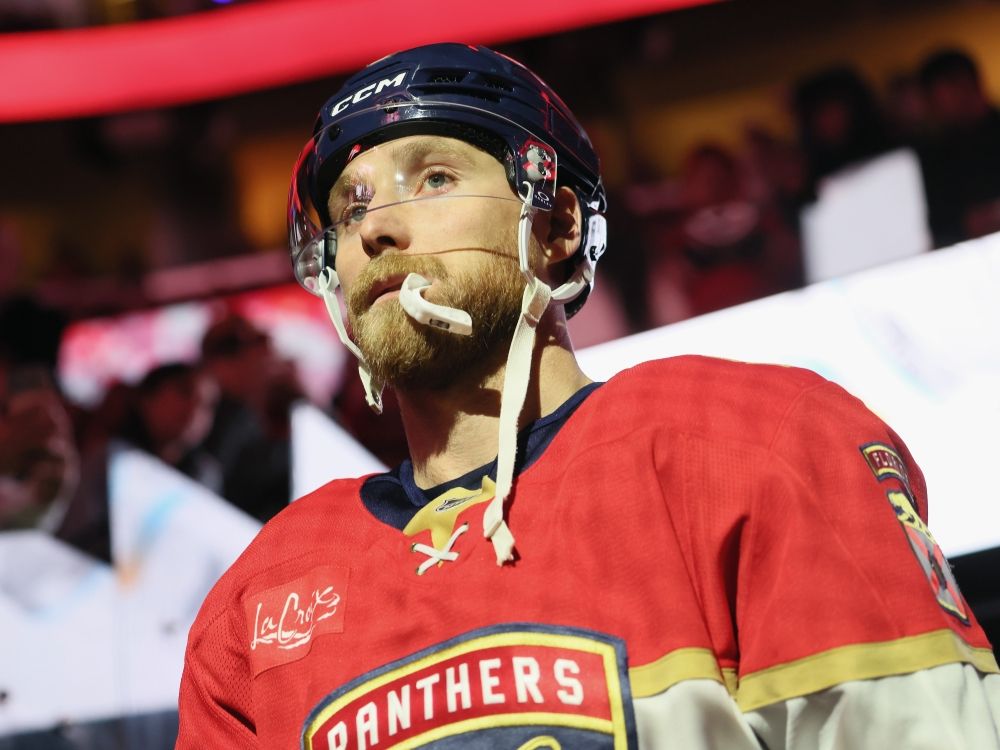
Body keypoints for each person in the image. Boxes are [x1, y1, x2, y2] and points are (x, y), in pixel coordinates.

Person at [176, 43, 1000, 748]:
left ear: (557, 223)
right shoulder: (257, 604)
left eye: (431, 178)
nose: (376, 227)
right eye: (350, 207)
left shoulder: (757, 444)